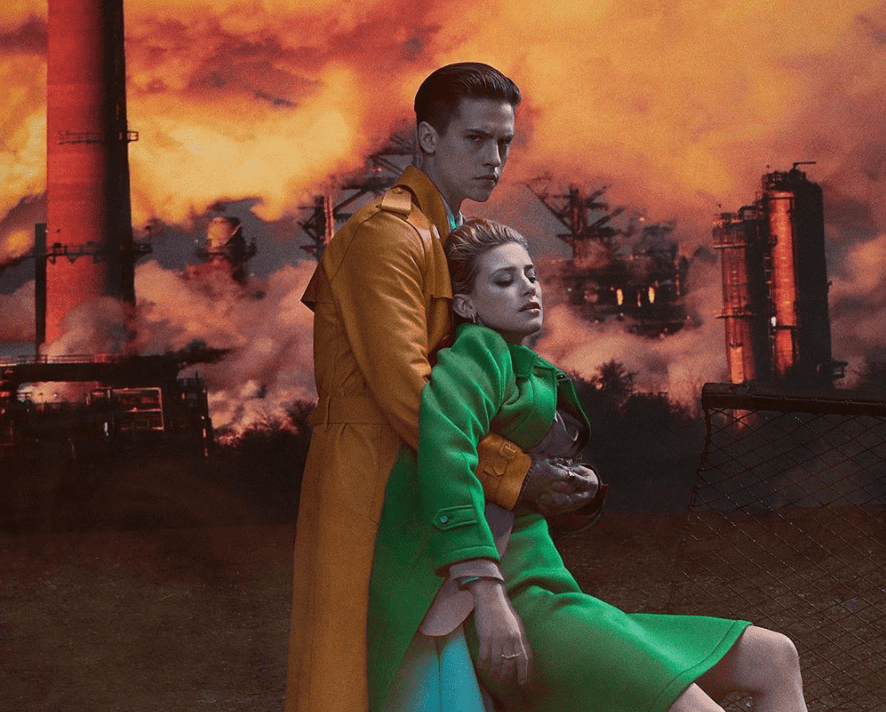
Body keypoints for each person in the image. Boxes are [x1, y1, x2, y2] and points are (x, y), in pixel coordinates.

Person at [368, 219, 809, 712]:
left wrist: (574, 485)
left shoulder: (523, 366)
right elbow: (446, 460)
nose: (527, 288)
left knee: (775, 656)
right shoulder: (477, 352)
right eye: (504, 280)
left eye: (530, 275)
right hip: (513, 606)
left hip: (556, 594)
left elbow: (520, 489)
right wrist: (490, 600)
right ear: (467, 305)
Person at [287, 63, 600, 712]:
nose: (494, 159)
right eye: (475, 139)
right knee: (376, 672)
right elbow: (411, 395)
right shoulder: (387, 236)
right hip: (375, 483)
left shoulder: (448, 236)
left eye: (504, 142)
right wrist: (518, 474)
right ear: (428, 138)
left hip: (429, 478)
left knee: (443, 671)